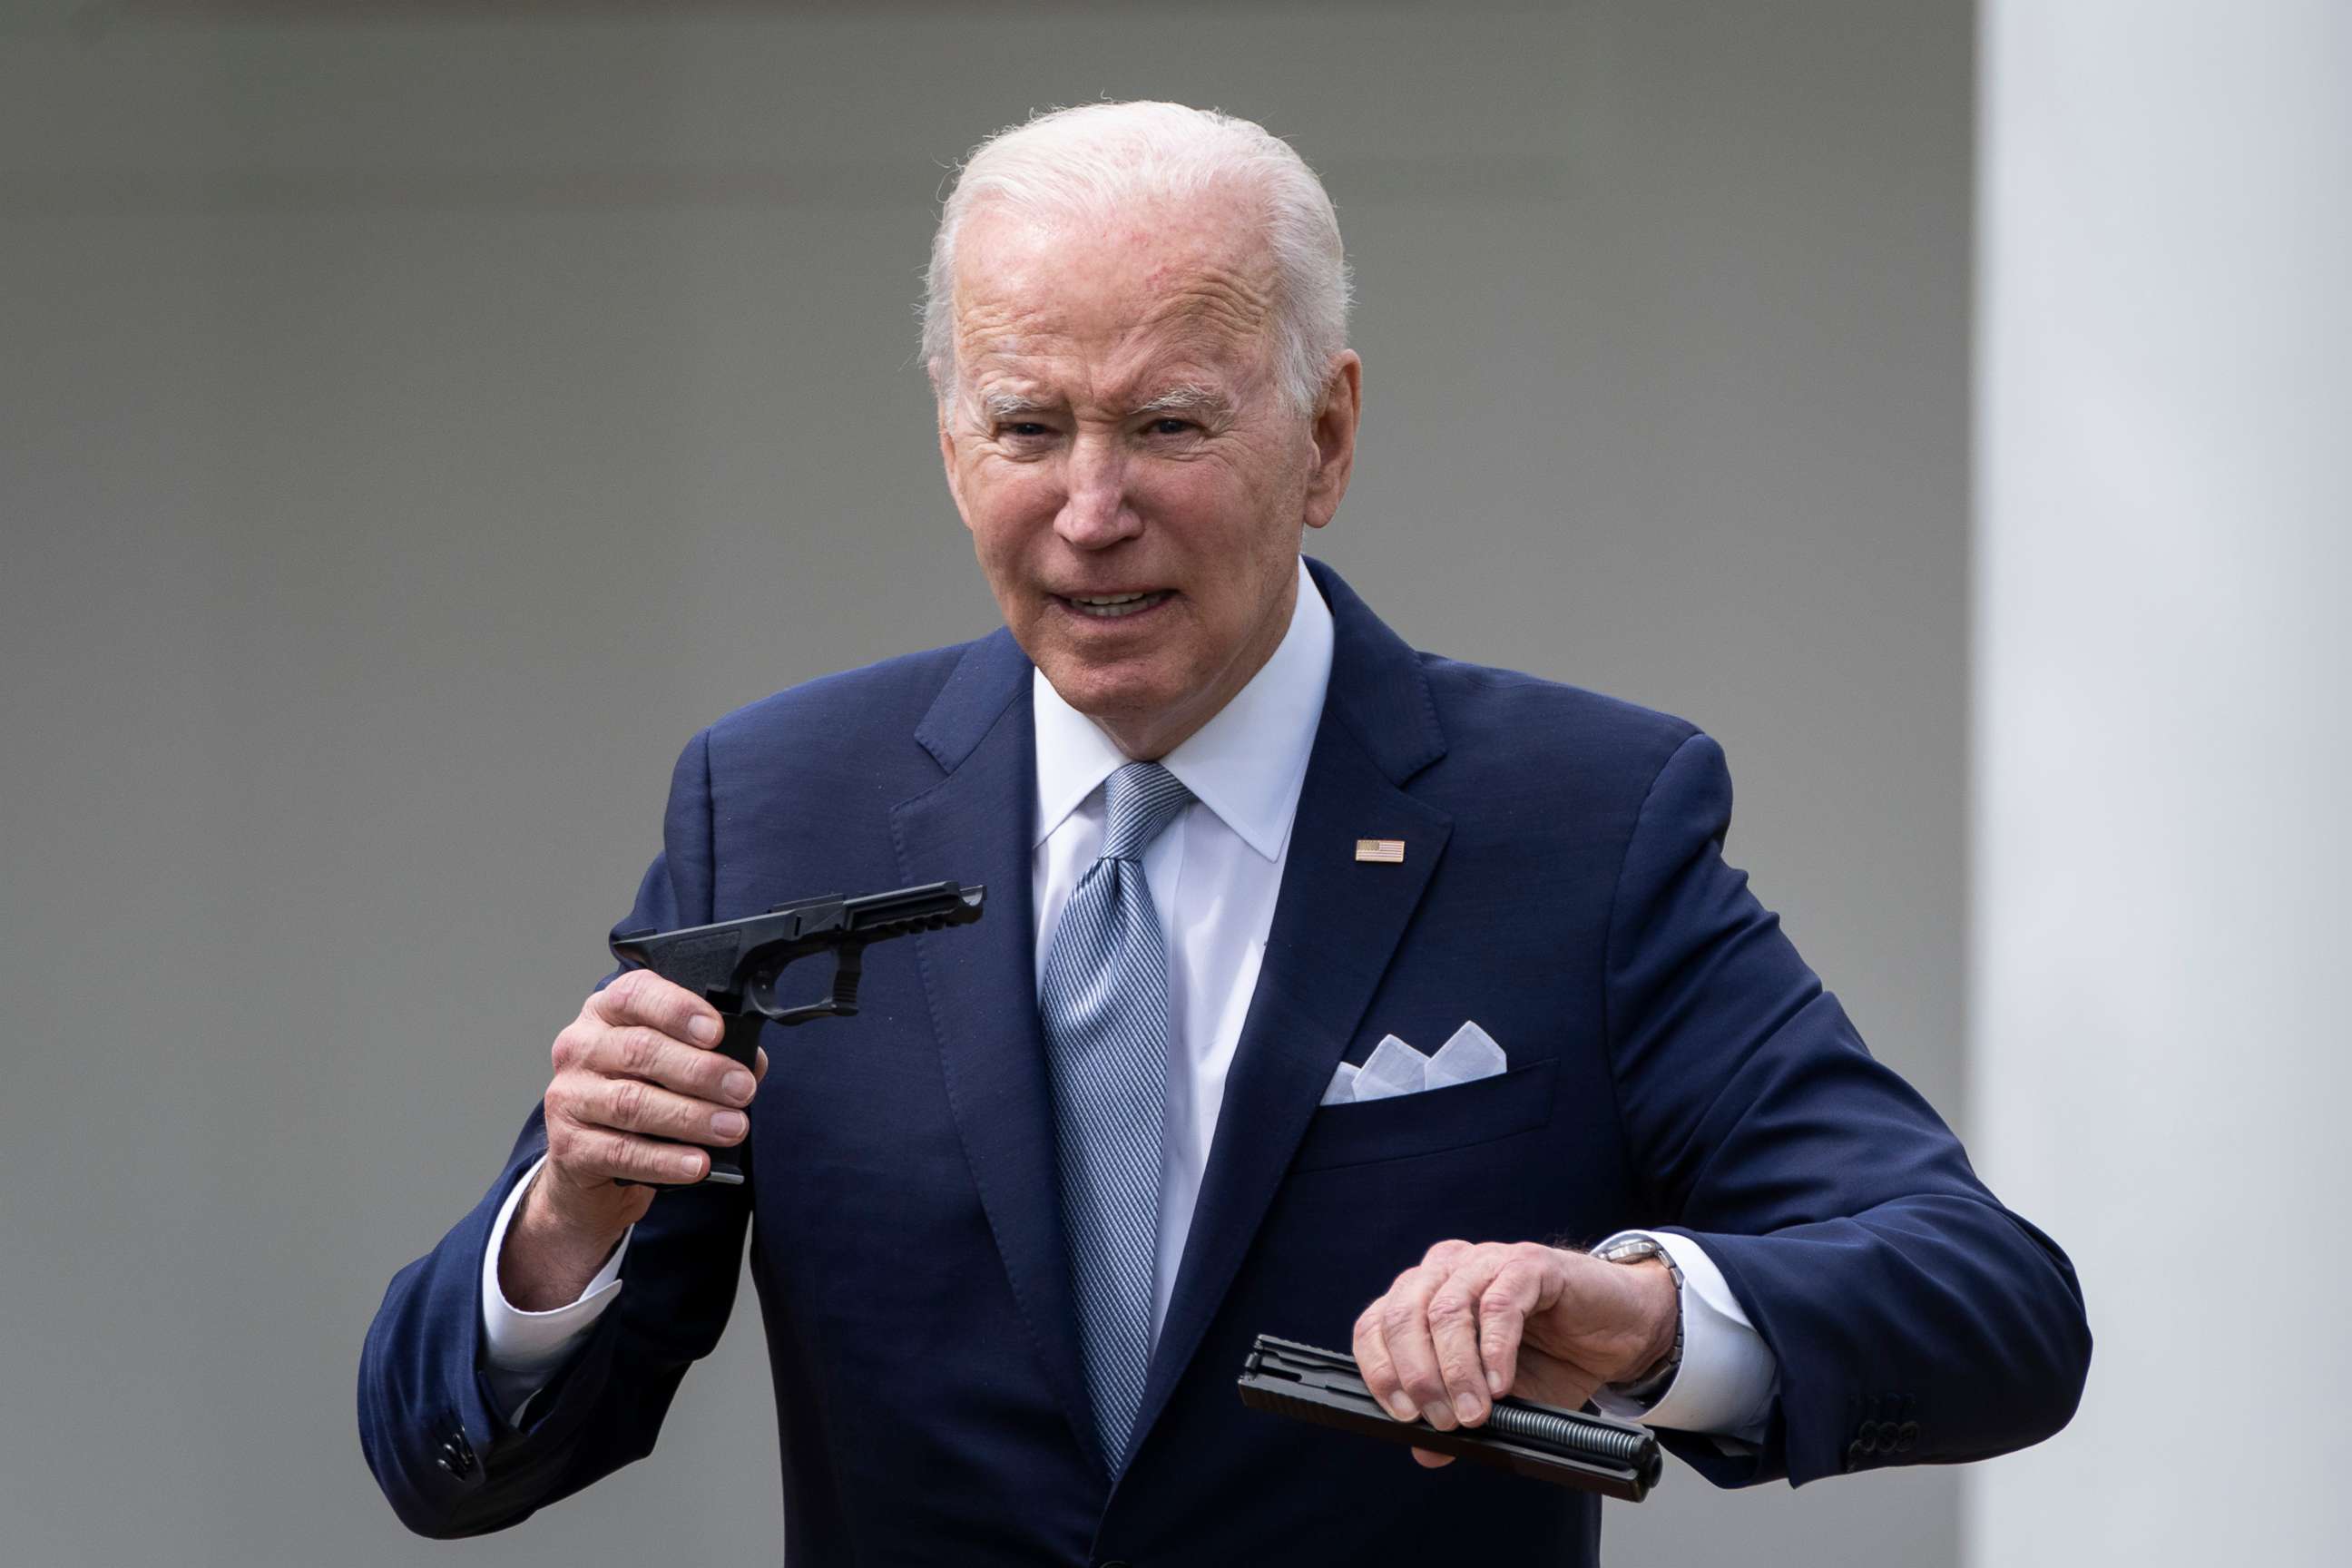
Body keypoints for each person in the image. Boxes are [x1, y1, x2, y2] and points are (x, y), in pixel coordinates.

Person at [359, 102, 2089, 1564]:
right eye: (1028, 427)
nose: (1092, 512)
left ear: (1325, 434)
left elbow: (1987, 1305)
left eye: (1170, 424)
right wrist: (565, 1221)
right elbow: (460, 1452)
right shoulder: (777, 807)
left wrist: (1637, 1317)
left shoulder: (1579, 822)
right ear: (953, 444)